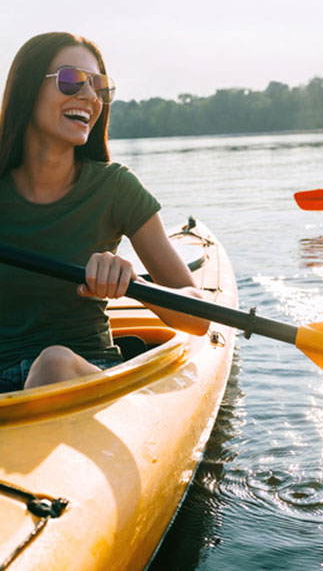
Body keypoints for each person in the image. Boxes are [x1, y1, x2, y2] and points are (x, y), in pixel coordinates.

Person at [0, 32, 210, 393]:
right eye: (71, 81)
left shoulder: (115, 189)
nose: (90, 97)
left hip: (82, 373)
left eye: (100, 87)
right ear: (27, 89)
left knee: (53, 363)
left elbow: (198, 317)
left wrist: (133, 284)